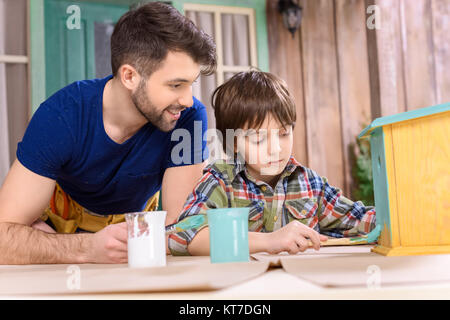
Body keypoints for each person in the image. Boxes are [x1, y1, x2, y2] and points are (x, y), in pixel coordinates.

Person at [0, 2, 216, 264]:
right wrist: (83, 248)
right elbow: (3, 236)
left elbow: (181, 229)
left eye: (191, 84)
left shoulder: (188, 118)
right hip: (58, 244)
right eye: (176, 85)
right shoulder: (62, 115)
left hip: (136, 244)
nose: (188, 100)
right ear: (129, 76)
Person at [168, 70, 376, 256]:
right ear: (234, 143)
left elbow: (361, 220)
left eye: (284, 134)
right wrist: (269, 241)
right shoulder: (220, 182)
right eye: (259, 139)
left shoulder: (310, 184)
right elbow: (184, 236)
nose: (276, 148)